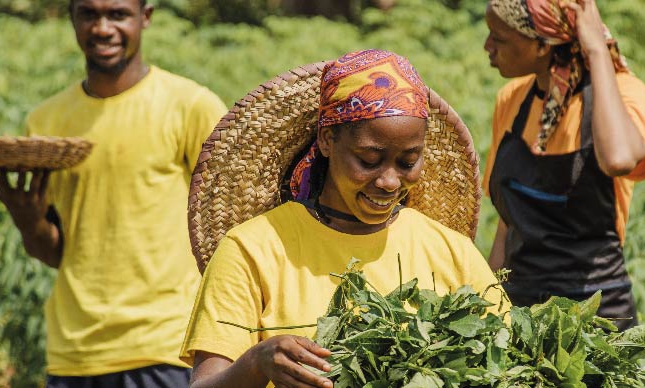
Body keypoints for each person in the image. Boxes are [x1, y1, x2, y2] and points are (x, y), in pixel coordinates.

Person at [179, 49, 507, 388]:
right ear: (326, 141)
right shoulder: (253, 249)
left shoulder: (450, 251)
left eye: (408, 162)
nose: (389, 181)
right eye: (368, 159)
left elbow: (507, 361)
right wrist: (257, 363)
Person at [0, 0, 227, 386]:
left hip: (165, 346)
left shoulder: (190, 106)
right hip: (74, 353)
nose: (102, 28)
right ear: (72, 19)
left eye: (117, 14)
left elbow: (230, 227)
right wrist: (27, 220)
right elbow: (53, 251)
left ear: (144, 17)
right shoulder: (46, 121)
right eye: (88, 14)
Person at [482, 0, 645, 331]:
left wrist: (597, 52)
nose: (488, 47)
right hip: (522, 313)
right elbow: (507, 225)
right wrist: (490, 303)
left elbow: (618, 159)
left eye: (499, 38)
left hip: (597, 317)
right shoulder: (512, 99)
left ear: (543, 44)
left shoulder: (622, 95)